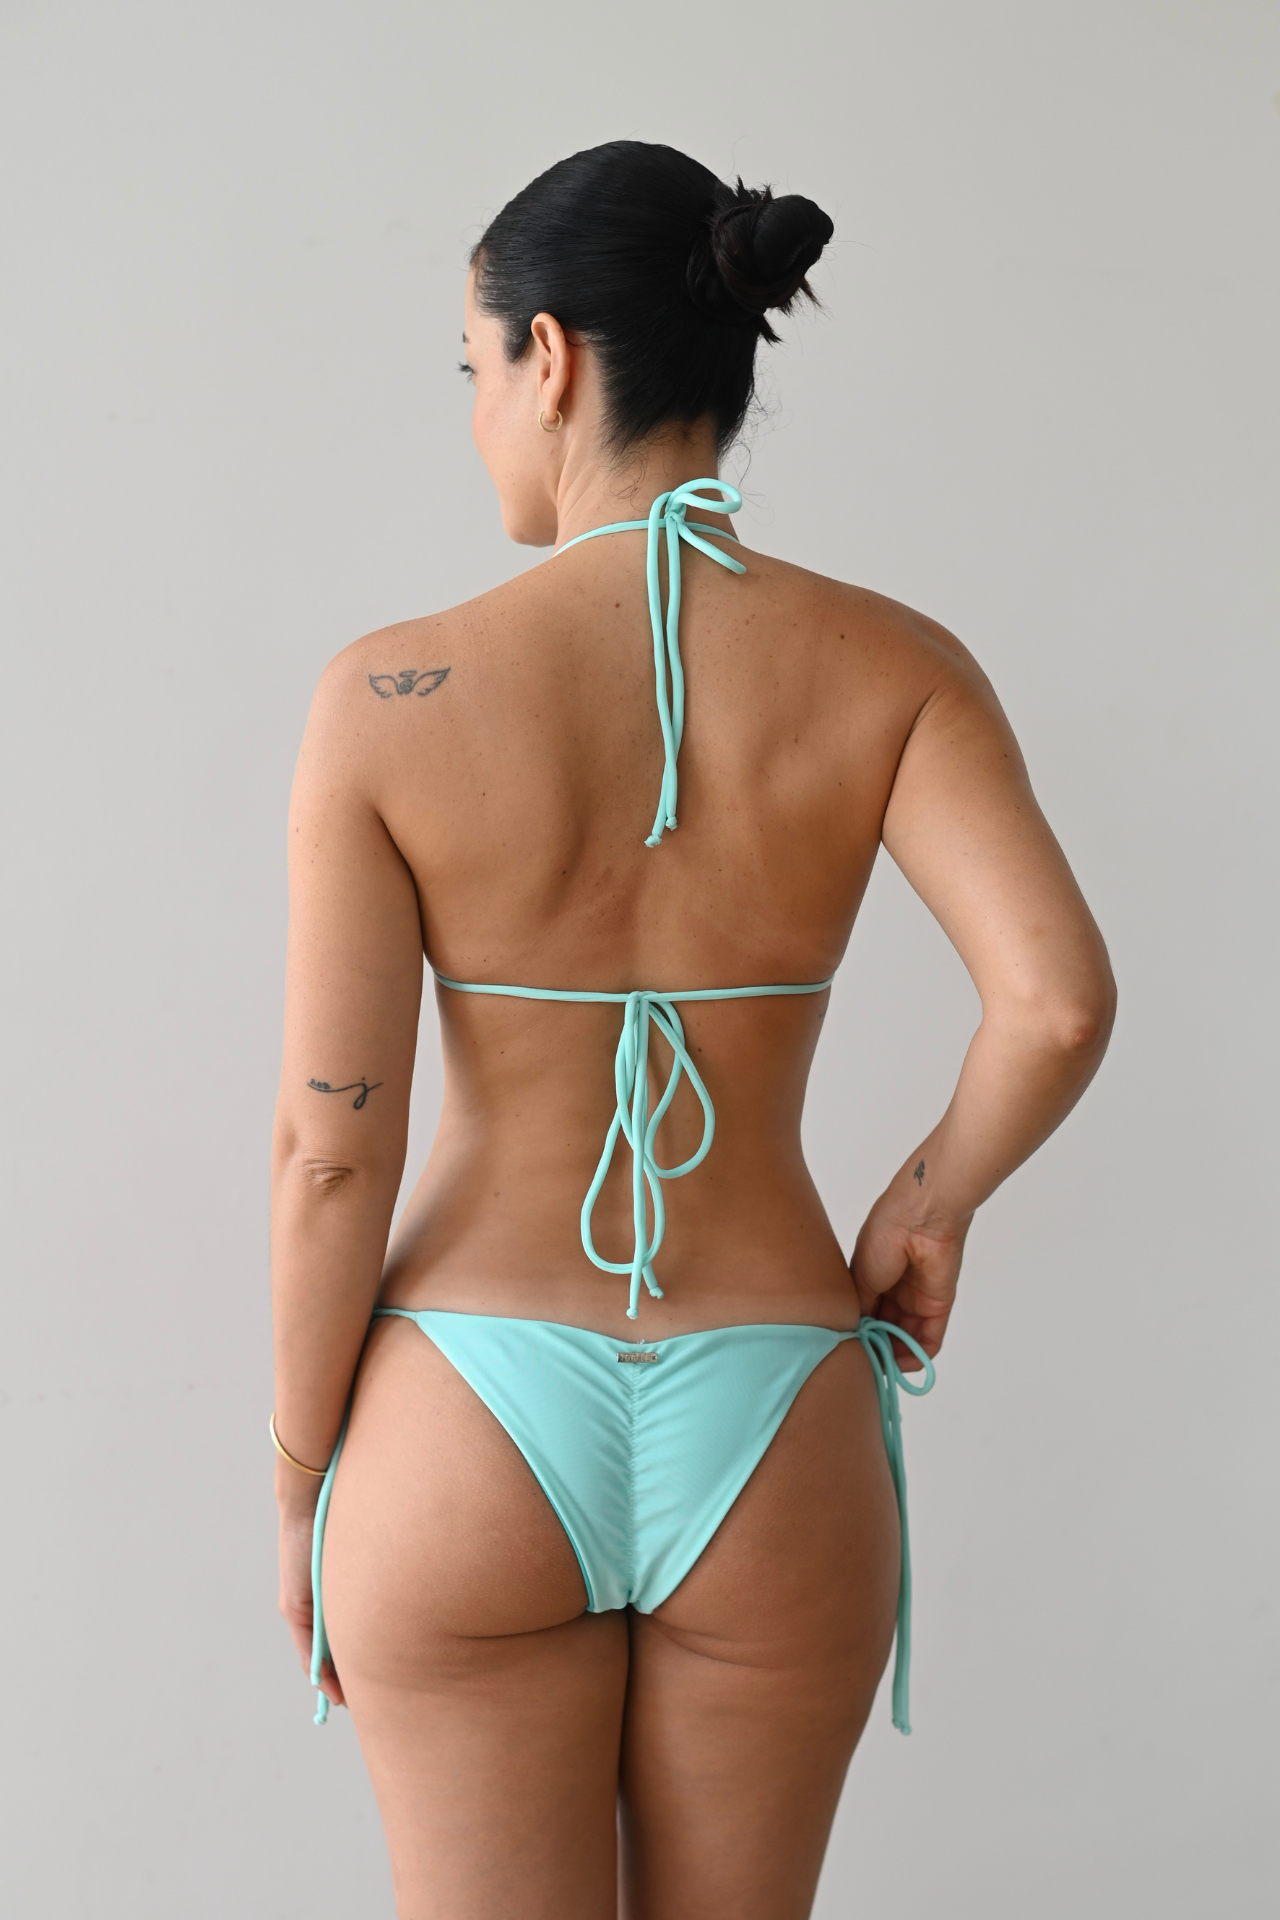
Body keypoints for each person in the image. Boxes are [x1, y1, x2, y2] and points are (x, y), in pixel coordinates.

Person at [269, 139, 1115, 1919]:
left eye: (472, 366)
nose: (476, 413)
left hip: (464, 1414)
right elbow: (1054, 1005)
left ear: (549, 357)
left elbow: (332, 1153)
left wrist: (299, 1480)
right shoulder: (895, 667)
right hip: (774, 1399)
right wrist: (929, 1205)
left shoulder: (389, 696)